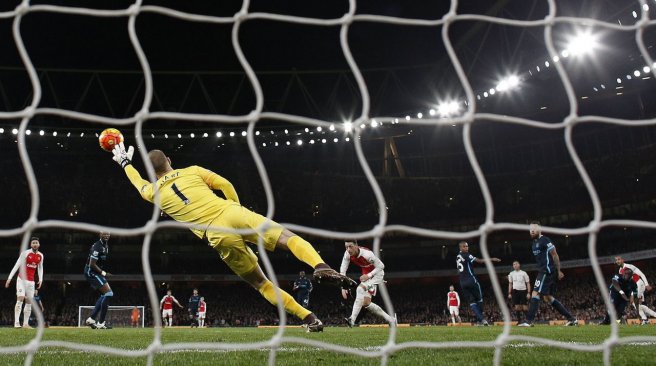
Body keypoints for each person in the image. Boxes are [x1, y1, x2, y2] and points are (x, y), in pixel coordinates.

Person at [111, 144, 355, 332]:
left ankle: (309, 318)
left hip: (215, 235)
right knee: (288, 238)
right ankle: (320, 266)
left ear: (153, 173)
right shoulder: (192, 170)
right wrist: (236, 210)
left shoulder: (152, 192)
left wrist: (125, 163)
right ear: (170, 161)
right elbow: (225, 183)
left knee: (261, 283)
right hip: (232, 212)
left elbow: (137, 183)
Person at [519, 223, 577, 327]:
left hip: (546, 271)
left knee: (535, 293)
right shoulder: (534, 243)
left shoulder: (545, 240)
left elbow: (554, 254)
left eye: (534, 229)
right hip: (544, 271)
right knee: (548, 298)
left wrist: (559, 270)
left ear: (540, 229)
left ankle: (528, 321)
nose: (531, 231)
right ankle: (571, 319)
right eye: (530, 229)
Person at [340, 241, 395, 327]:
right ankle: (391, 320)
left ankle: (352, 320)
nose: (348, 249)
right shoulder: (347, 254)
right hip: (366, 274)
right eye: (346, 247)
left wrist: (368, 275)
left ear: (356, 246)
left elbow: (381, 266)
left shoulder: (367, 254)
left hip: (377, 274)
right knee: (366, 303)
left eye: (350, 246)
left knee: (360, 289)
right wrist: (343, 286)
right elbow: (343, 269)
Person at [456, 241, 500, 326]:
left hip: (462, 282)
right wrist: (492, 259)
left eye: (467, 246)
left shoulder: (458, 256)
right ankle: (482, 320)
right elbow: (479, 261)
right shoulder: (467, 255)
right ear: (460, 248)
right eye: (464, 246)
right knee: (479, 299)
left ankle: (480, 320)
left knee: (472, 302)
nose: (466, 248)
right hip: (471, 280)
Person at [5, 237, 44, 329]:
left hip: (31, 282)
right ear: (31, 245)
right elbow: (17, 265)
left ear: (39, 245)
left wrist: (41, 279)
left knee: (29, 301)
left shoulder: (41, 256)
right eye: (33, 243)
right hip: (21, 279)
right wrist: (9, 278)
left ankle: (26, 324)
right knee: (20, 298)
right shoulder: (25, 253)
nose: (35, 244)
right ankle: (17, 322)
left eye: (36, 243)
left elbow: (40, 268)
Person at [83, 231, 113, 329]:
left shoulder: (105, 245)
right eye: (104, 234)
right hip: (91, 272)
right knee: (109, 293)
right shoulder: (97, 246)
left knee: (105, 294)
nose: (106, 235)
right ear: (100, 235)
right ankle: (100, 323)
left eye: (108, 234)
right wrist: (103, 273)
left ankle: (92, 319)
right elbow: (92, 264)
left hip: (96, 272)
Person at [614, 256, 656, 325]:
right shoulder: (620, 271)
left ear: (622, 260)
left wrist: (647, 284)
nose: (617, 261)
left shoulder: (630, 266)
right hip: (633, 287)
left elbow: (641, 274)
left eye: (619, 259)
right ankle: (646, 319)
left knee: (635, 303)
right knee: (637, 305)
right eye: (616, 260)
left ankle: (645, 319)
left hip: (639, 284)